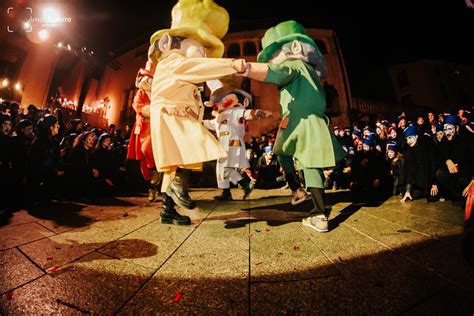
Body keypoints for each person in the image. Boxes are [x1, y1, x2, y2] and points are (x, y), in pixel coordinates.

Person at [239, 20, 346, 232]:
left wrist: (246, 68)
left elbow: (278, 72)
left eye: (273, 54)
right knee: (282, 151)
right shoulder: (310, 71)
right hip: (295, 119)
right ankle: (298, 191)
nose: (271, 60)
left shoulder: (295, 65)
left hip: (303, 120)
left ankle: (318, 214)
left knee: (310, 164)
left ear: (293, 48)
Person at [148, 0, 248, 225]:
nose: (203, 51)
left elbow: (206, 76)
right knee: (185, 154)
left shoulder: (185, 66)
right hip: (171, 116)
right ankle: (176, 189)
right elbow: (202, 69)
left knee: (181, 161)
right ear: (174, 43)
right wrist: (233, 65)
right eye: (199, 46)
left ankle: (168, 210)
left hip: (179, 117)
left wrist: (220, 92)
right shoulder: (174, 61)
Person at [203, 77, 272, 200]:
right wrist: (195, 121)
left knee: (224, 168)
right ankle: (231, 190)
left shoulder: (235, 111)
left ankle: (241, 185)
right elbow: (208, 123)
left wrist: (257, 113)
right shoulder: (219, 117)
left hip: (232, 144)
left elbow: (246, 114)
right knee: (222, 169)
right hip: (223, 147)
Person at [126, 61, 161, 202]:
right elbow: (137, 106)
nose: (148, 81)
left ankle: (157, 182)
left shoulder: (159, 93)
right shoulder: (140, 93)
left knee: (157, 153)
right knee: (145, 154)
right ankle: (152, 183)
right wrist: (153, 110)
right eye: (146, 78)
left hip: (158, 127)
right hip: (145, 128)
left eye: (151, 78)